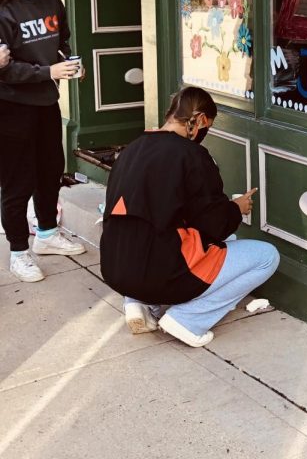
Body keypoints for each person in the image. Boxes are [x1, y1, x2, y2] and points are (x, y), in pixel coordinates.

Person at [100, 85, 279, 347]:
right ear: (201, 121)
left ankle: (138, 303)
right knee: (266, 257)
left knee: (153, 235)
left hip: (116, 270)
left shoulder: (131, 149)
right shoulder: (191, 155)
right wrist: (236, 208)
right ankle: (188, 320)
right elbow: (214, 225)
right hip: (162, 273)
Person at [0, 0, 86, 283]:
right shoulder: (3, 10)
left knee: (50, 170)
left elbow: (62, 38)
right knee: (17, 182)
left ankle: (48, 234)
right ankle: (19, 252)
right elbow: (4, 68)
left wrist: (68, 61)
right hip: (11, 107)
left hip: (46, 102)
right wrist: (46, 72)